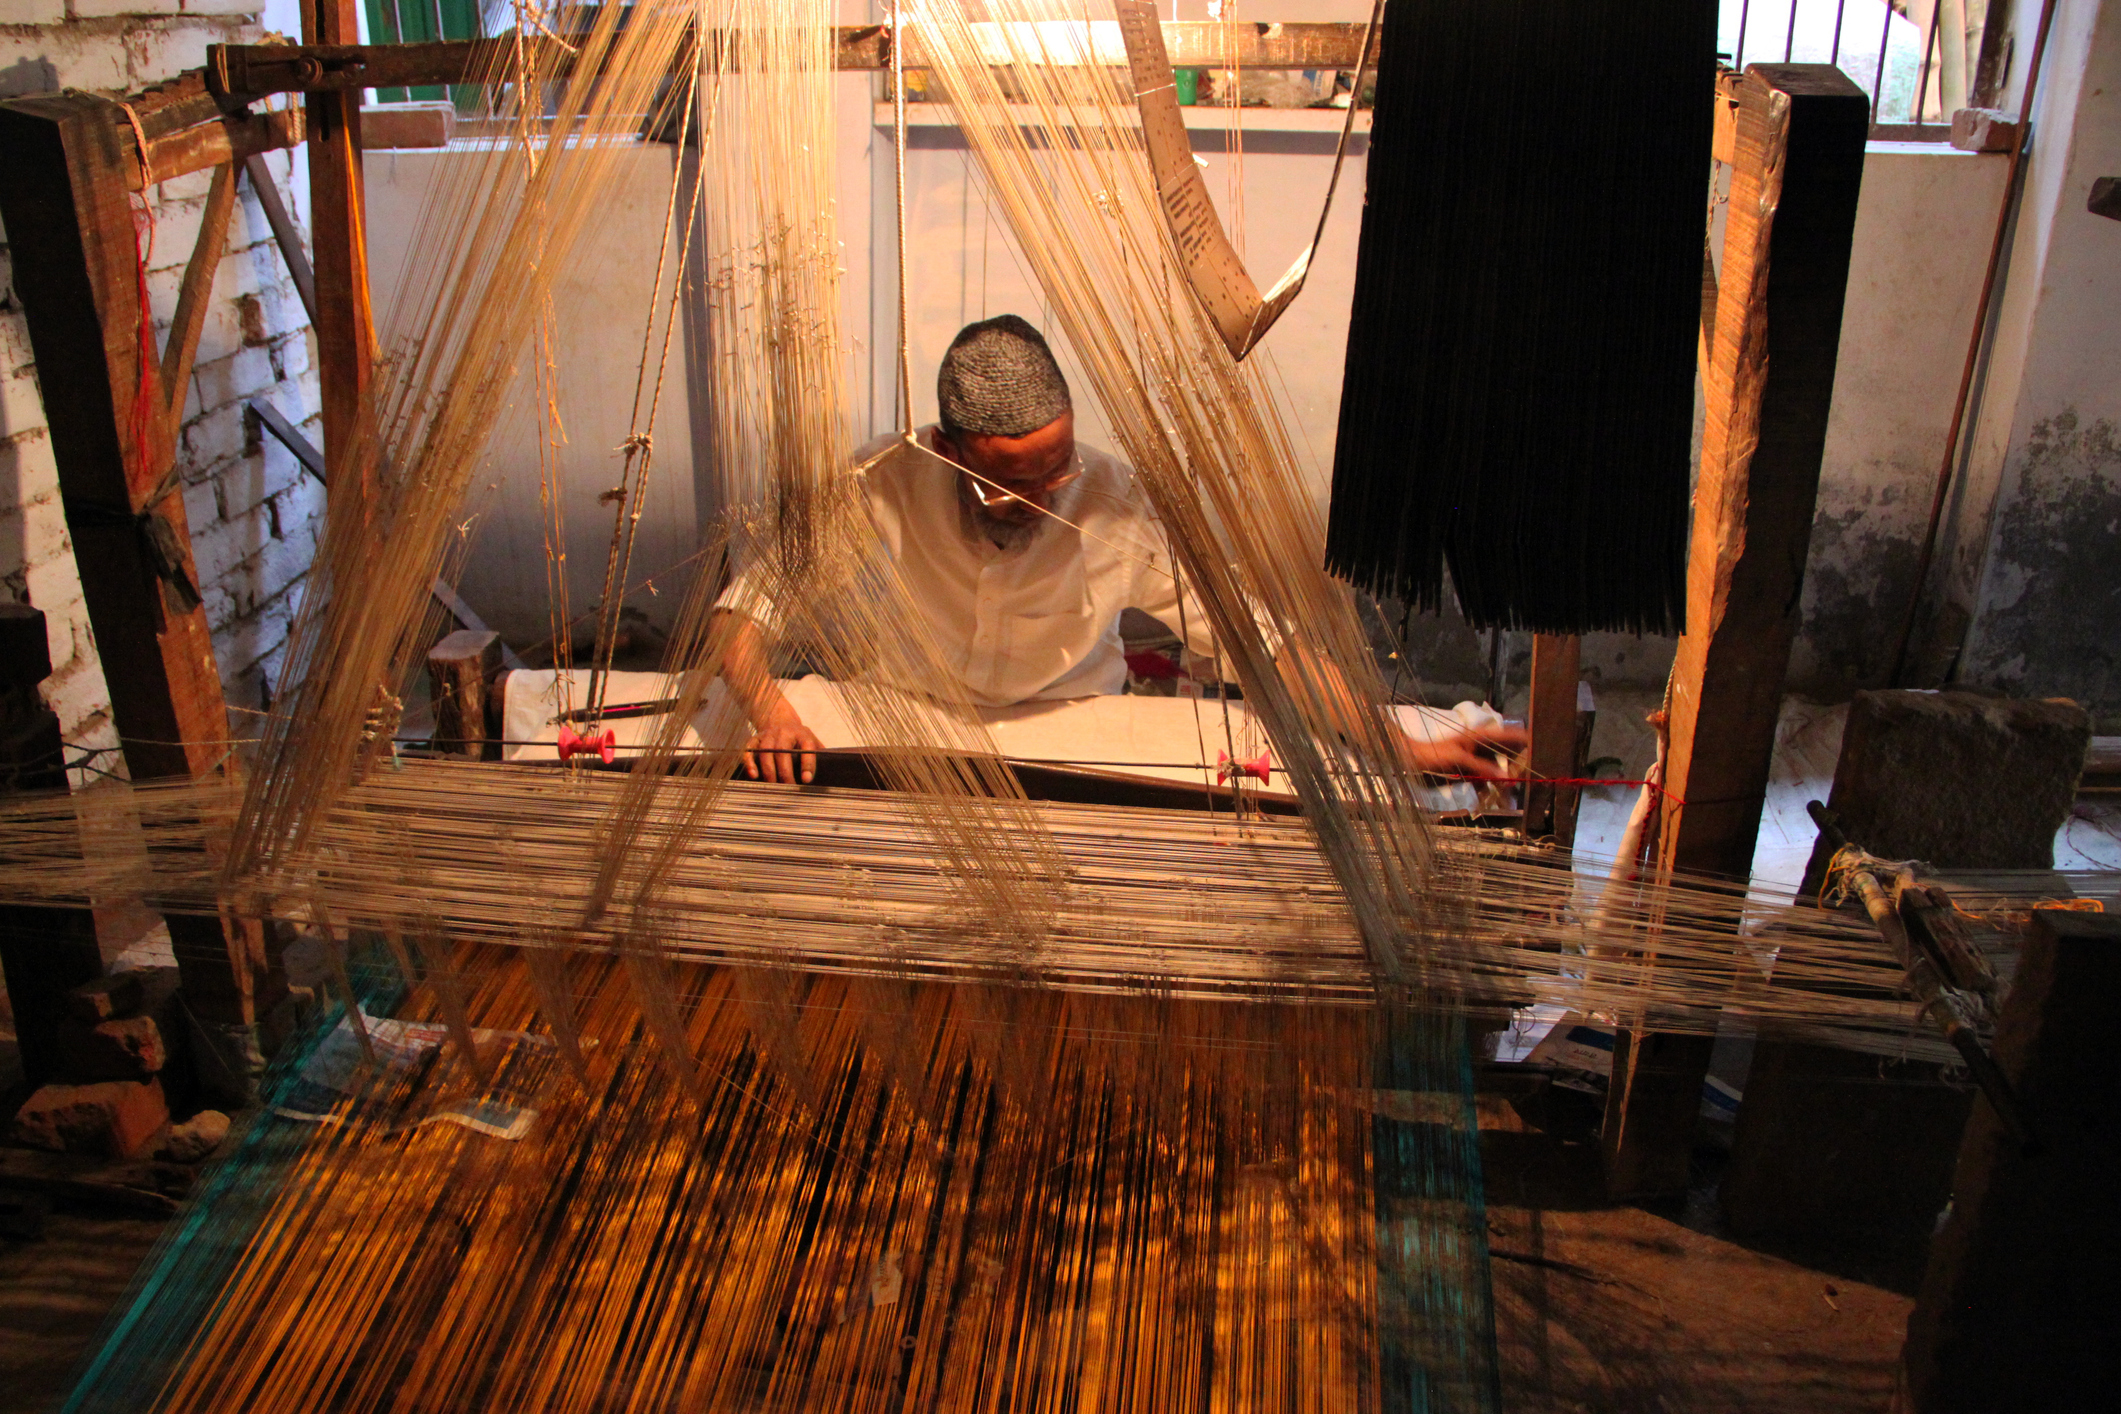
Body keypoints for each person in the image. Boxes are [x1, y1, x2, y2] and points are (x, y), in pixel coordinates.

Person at [712, 314, 1523, 784]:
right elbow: (742, 613)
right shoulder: (880, 480)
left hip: (1074, 728)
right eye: (1010, 484)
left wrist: (1399, 747)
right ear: (944, 450)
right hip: (909, 723)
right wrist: (771, 713)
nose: (1041, 500)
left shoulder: (1114, 500)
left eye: (1055, 472)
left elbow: (1261, 644)